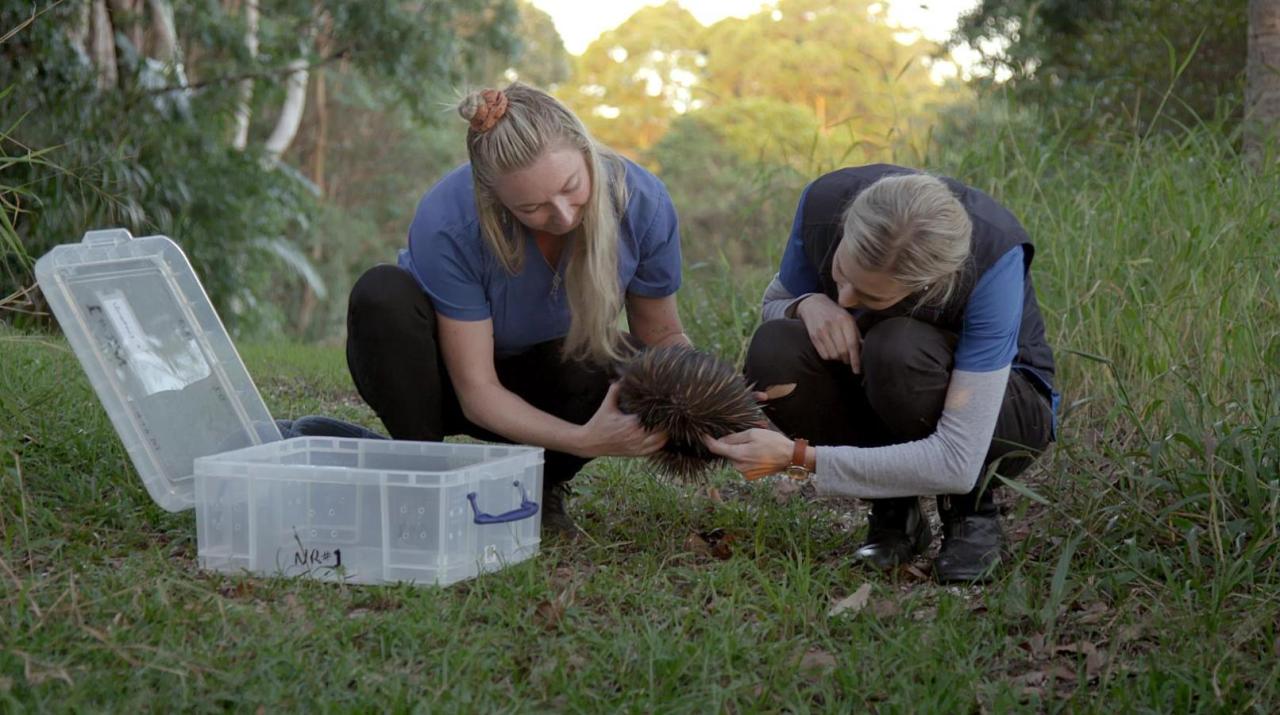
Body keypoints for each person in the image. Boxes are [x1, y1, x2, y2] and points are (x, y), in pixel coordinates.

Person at [345, 83, 690, 539]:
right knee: (380, 294)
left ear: (585, 150)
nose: (564, 216)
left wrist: (714, 404)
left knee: (630, 364)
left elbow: (661, 337)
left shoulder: (641, 202)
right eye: (532, 208)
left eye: (571, 188)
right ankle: (422, 472)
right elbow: (477, 390)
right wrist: (585, 440)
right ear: (494, 199)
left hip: (545, 378)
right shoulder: (449, 221)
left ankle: (542, 483)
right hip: (441, 383)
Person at [703, 165, 1058, 583]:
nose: (845, 298)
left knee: (898, 350)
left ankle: (971, 514)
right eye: (841, 273)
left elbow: (958, 459)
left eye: (869, 294)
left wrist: (799, 459)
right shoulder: (824, 201)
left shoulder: (994, 259)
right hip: (883, 377)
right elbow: (776, 300)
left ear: (928, 284)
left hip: (1005, 410)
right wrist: (807, 303)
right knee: (776, 349)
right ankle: (895, 510)